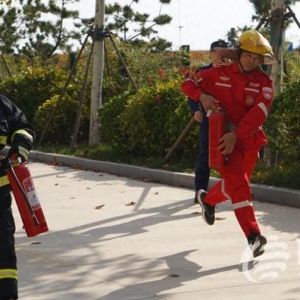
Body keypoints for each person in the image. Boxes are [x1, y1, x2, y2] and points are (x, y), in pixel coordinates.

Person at [181, 29, 275, 258]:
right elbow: (188, 84)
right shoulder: (217, 74)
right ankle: (254, 237)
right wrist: (201, 97)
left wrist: (238, 135)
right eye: (248, 56)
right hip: (223, 140)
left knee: (234, 185)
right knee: (241, 186)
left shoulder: (264, 83)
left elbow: (259, 113)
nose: (253, 61)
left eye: (257, 58)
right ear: (239, 53)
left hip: (249, 140)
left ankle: (207, 200)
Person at [0, 94, 35, 300]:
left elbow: (24, 128)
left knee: (4, 252)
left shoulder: (2, 105)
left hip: (0, 196)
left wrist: (19, 149)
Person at [188, 39, 228, 203]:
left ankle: (232, 191)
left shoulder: (232, 72)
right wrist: (195, 110)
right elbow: (191, 91)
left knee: (232, 156)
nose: (220, 55)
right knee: (205, 154)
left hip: (229, 119)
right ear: (211, 53)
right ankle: (200, 192)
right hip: (209, 119)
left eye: (223, 52)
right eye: (217, 52)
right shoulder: (203, 72)